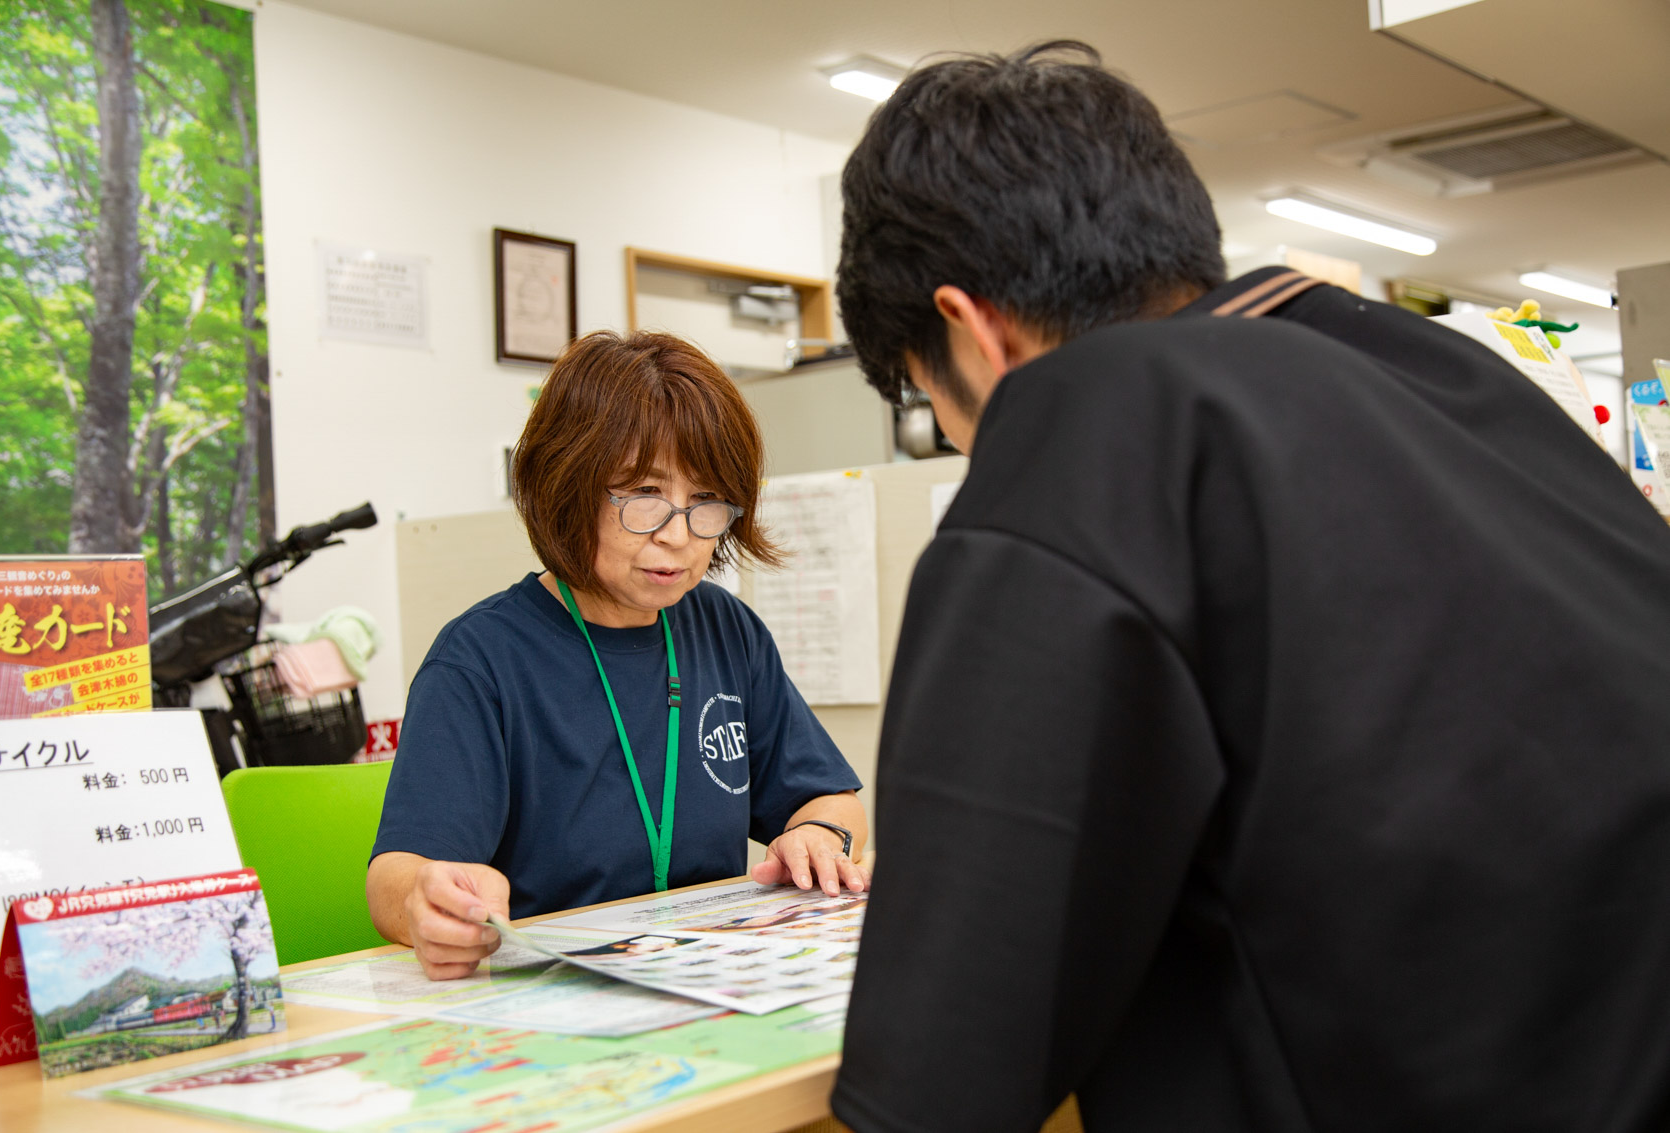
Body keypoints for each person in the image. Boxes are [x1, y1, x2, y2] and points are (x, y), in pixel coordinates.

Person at [829, 40, 1670, 1133]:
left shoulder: (1083, 419)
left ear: (969, 327)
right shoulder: (1449, 381)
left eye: (919, 397)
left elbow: (942, 1066)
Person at [368, 330, 868, 981]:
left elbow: (833, 798)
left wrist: (821, 837)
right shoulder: (481, 658)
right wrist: (425, 903)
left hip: (704, 979)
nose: (679, 535)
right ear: (568, 485)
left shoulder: (725, 628)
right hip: (547, 994)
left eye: (707, 503)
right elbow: (393, 878)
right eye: (644, 498)